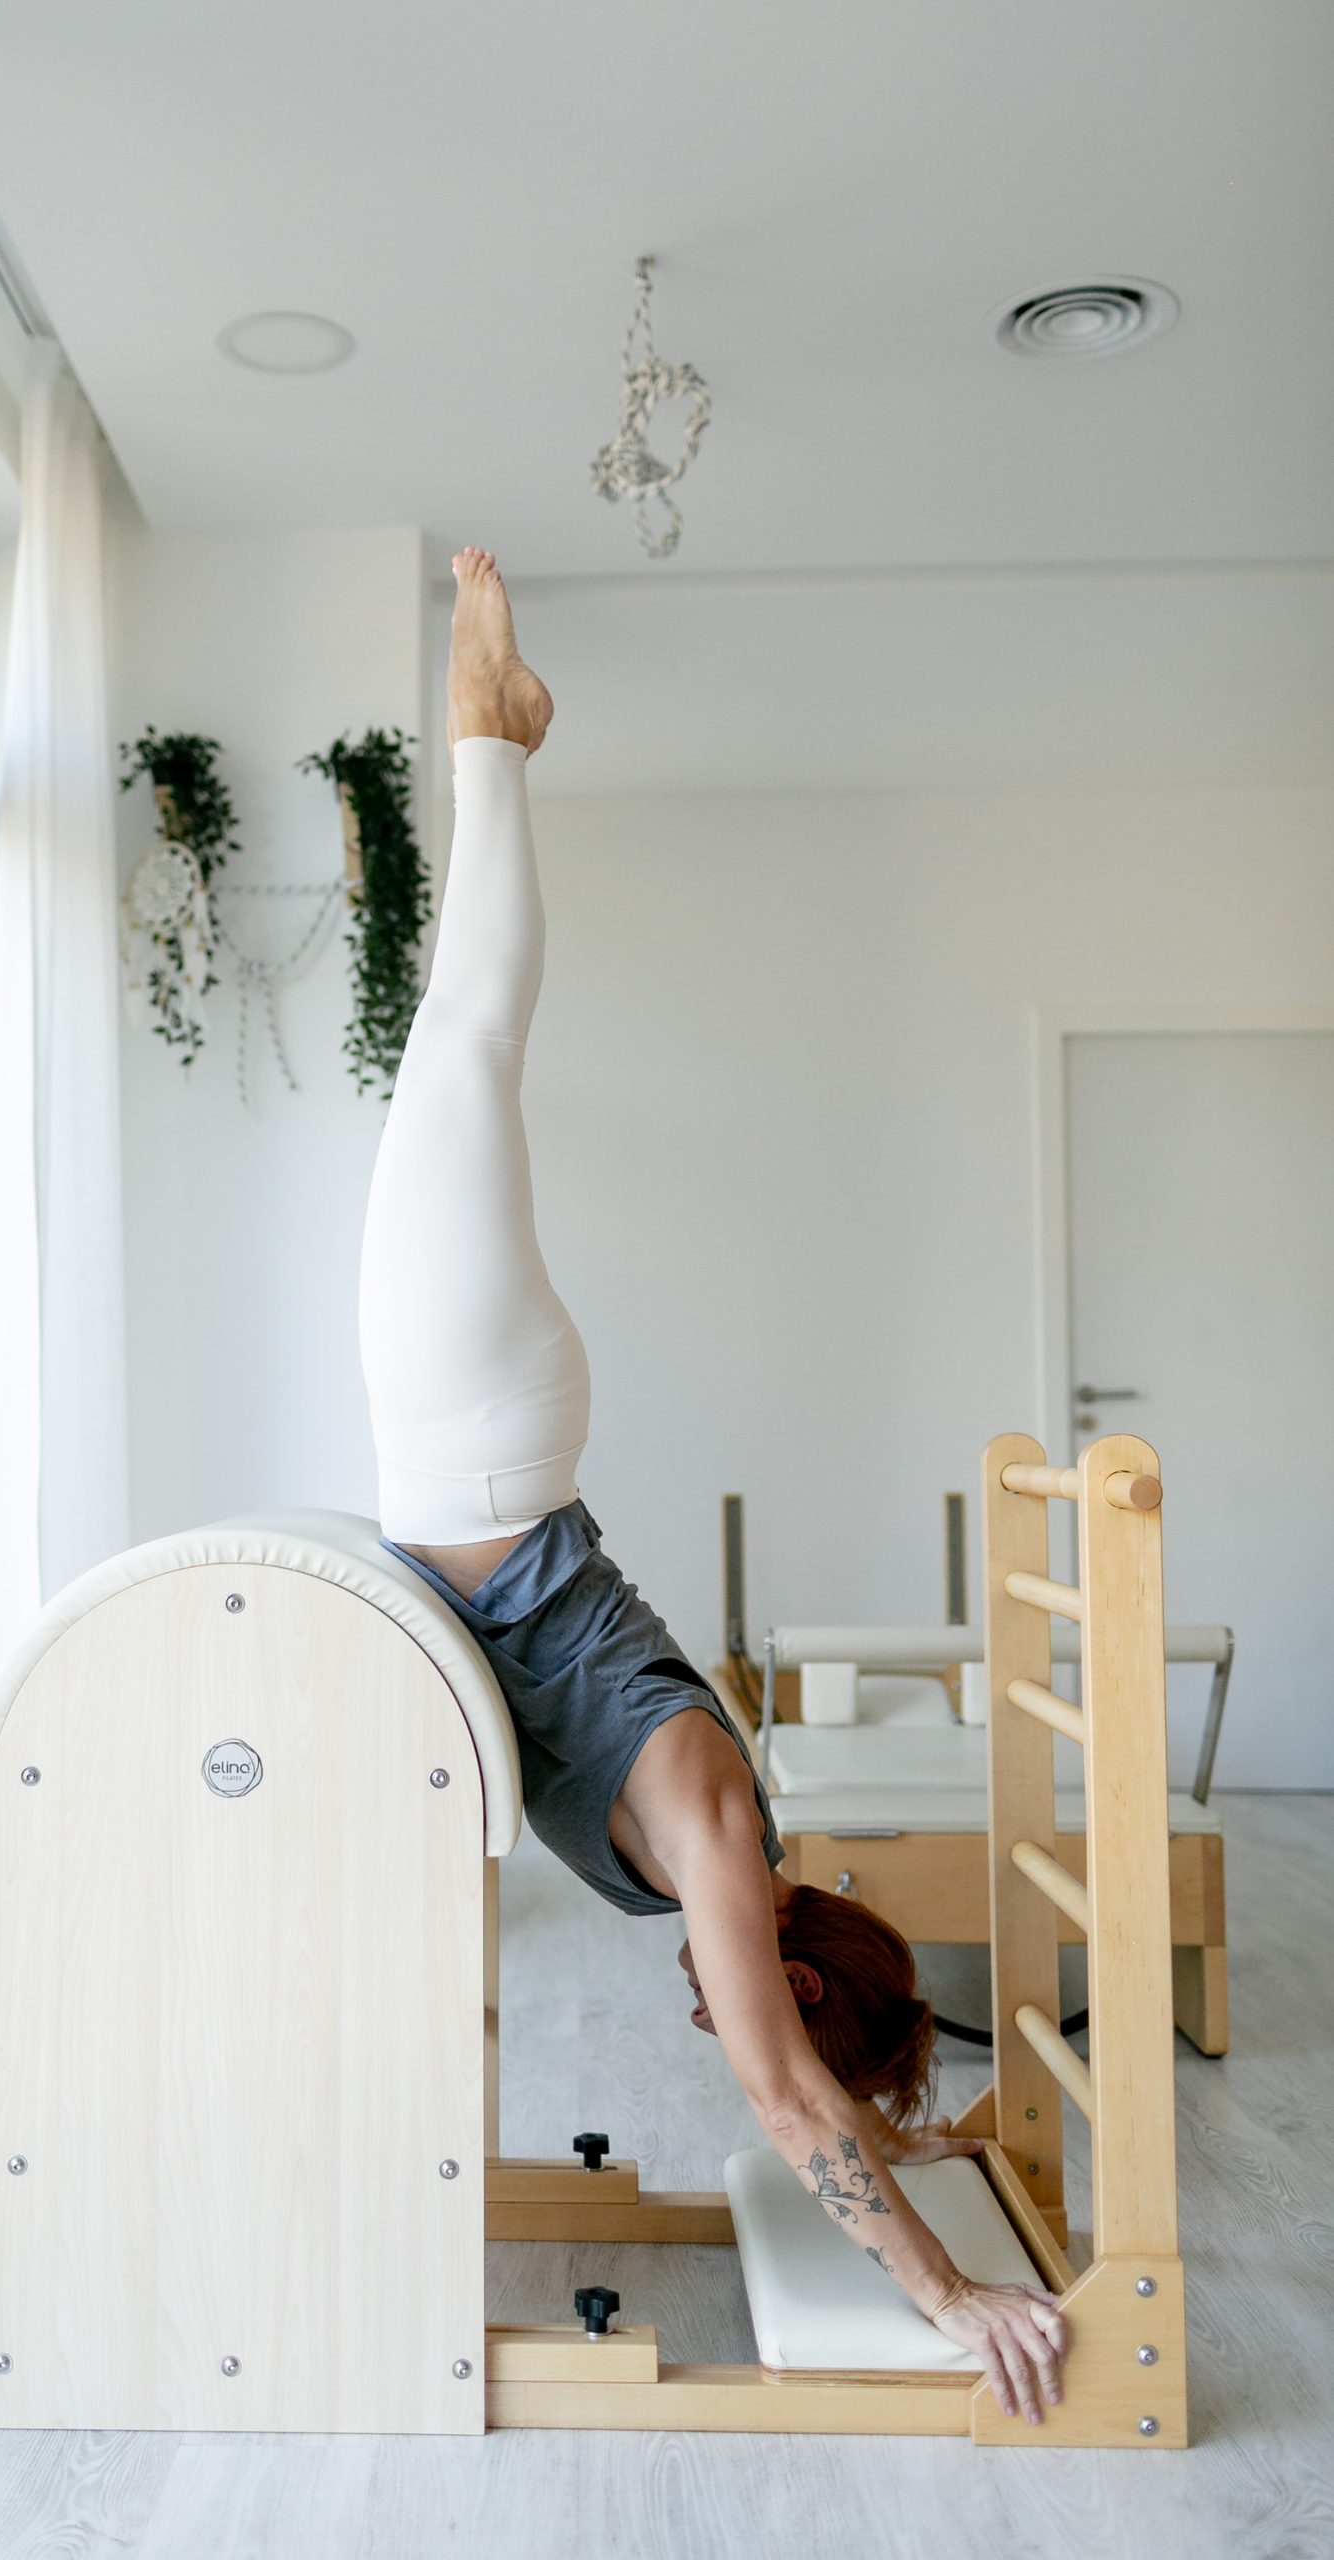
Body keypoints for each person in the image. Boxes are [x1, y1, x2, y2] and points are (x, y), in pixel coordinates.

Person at [358, 549, 1069, 2423]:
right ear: (800, 1993)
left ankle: (497, 743)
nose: (731, 2023)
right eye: (800, 2041)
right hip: (472, 1440)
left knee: (471, 1053)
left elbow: (795, 2088)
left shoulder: (729, 1850)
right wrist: (944, 2302)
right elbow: (777, 2097)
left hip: (492, 1445)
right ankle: (489, 735)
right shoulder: (723, 1853)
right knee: (460, 1046)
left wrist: (912, 2156)